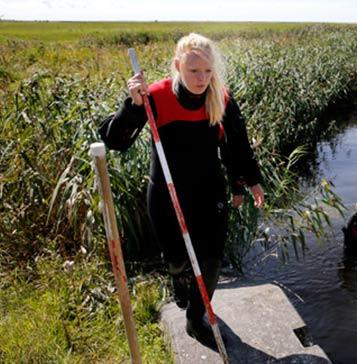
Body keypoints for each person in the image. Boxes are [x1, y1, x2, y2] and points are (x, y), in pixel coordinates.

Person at [98, 33, 264, 348]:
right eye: (193, 71)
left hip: (209, 193)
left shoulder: (221, 98)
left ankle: (195, 319)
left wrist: (247, 179)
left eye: (208, 71)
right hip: (165, 196)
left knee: (211, 262)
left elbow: (237, 145)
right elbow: (115, 140)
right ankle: (177, 275)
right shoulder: (156, 95)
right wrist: (134, 106)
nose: (202, 79)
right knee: (177, 260)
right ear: (178, 66)